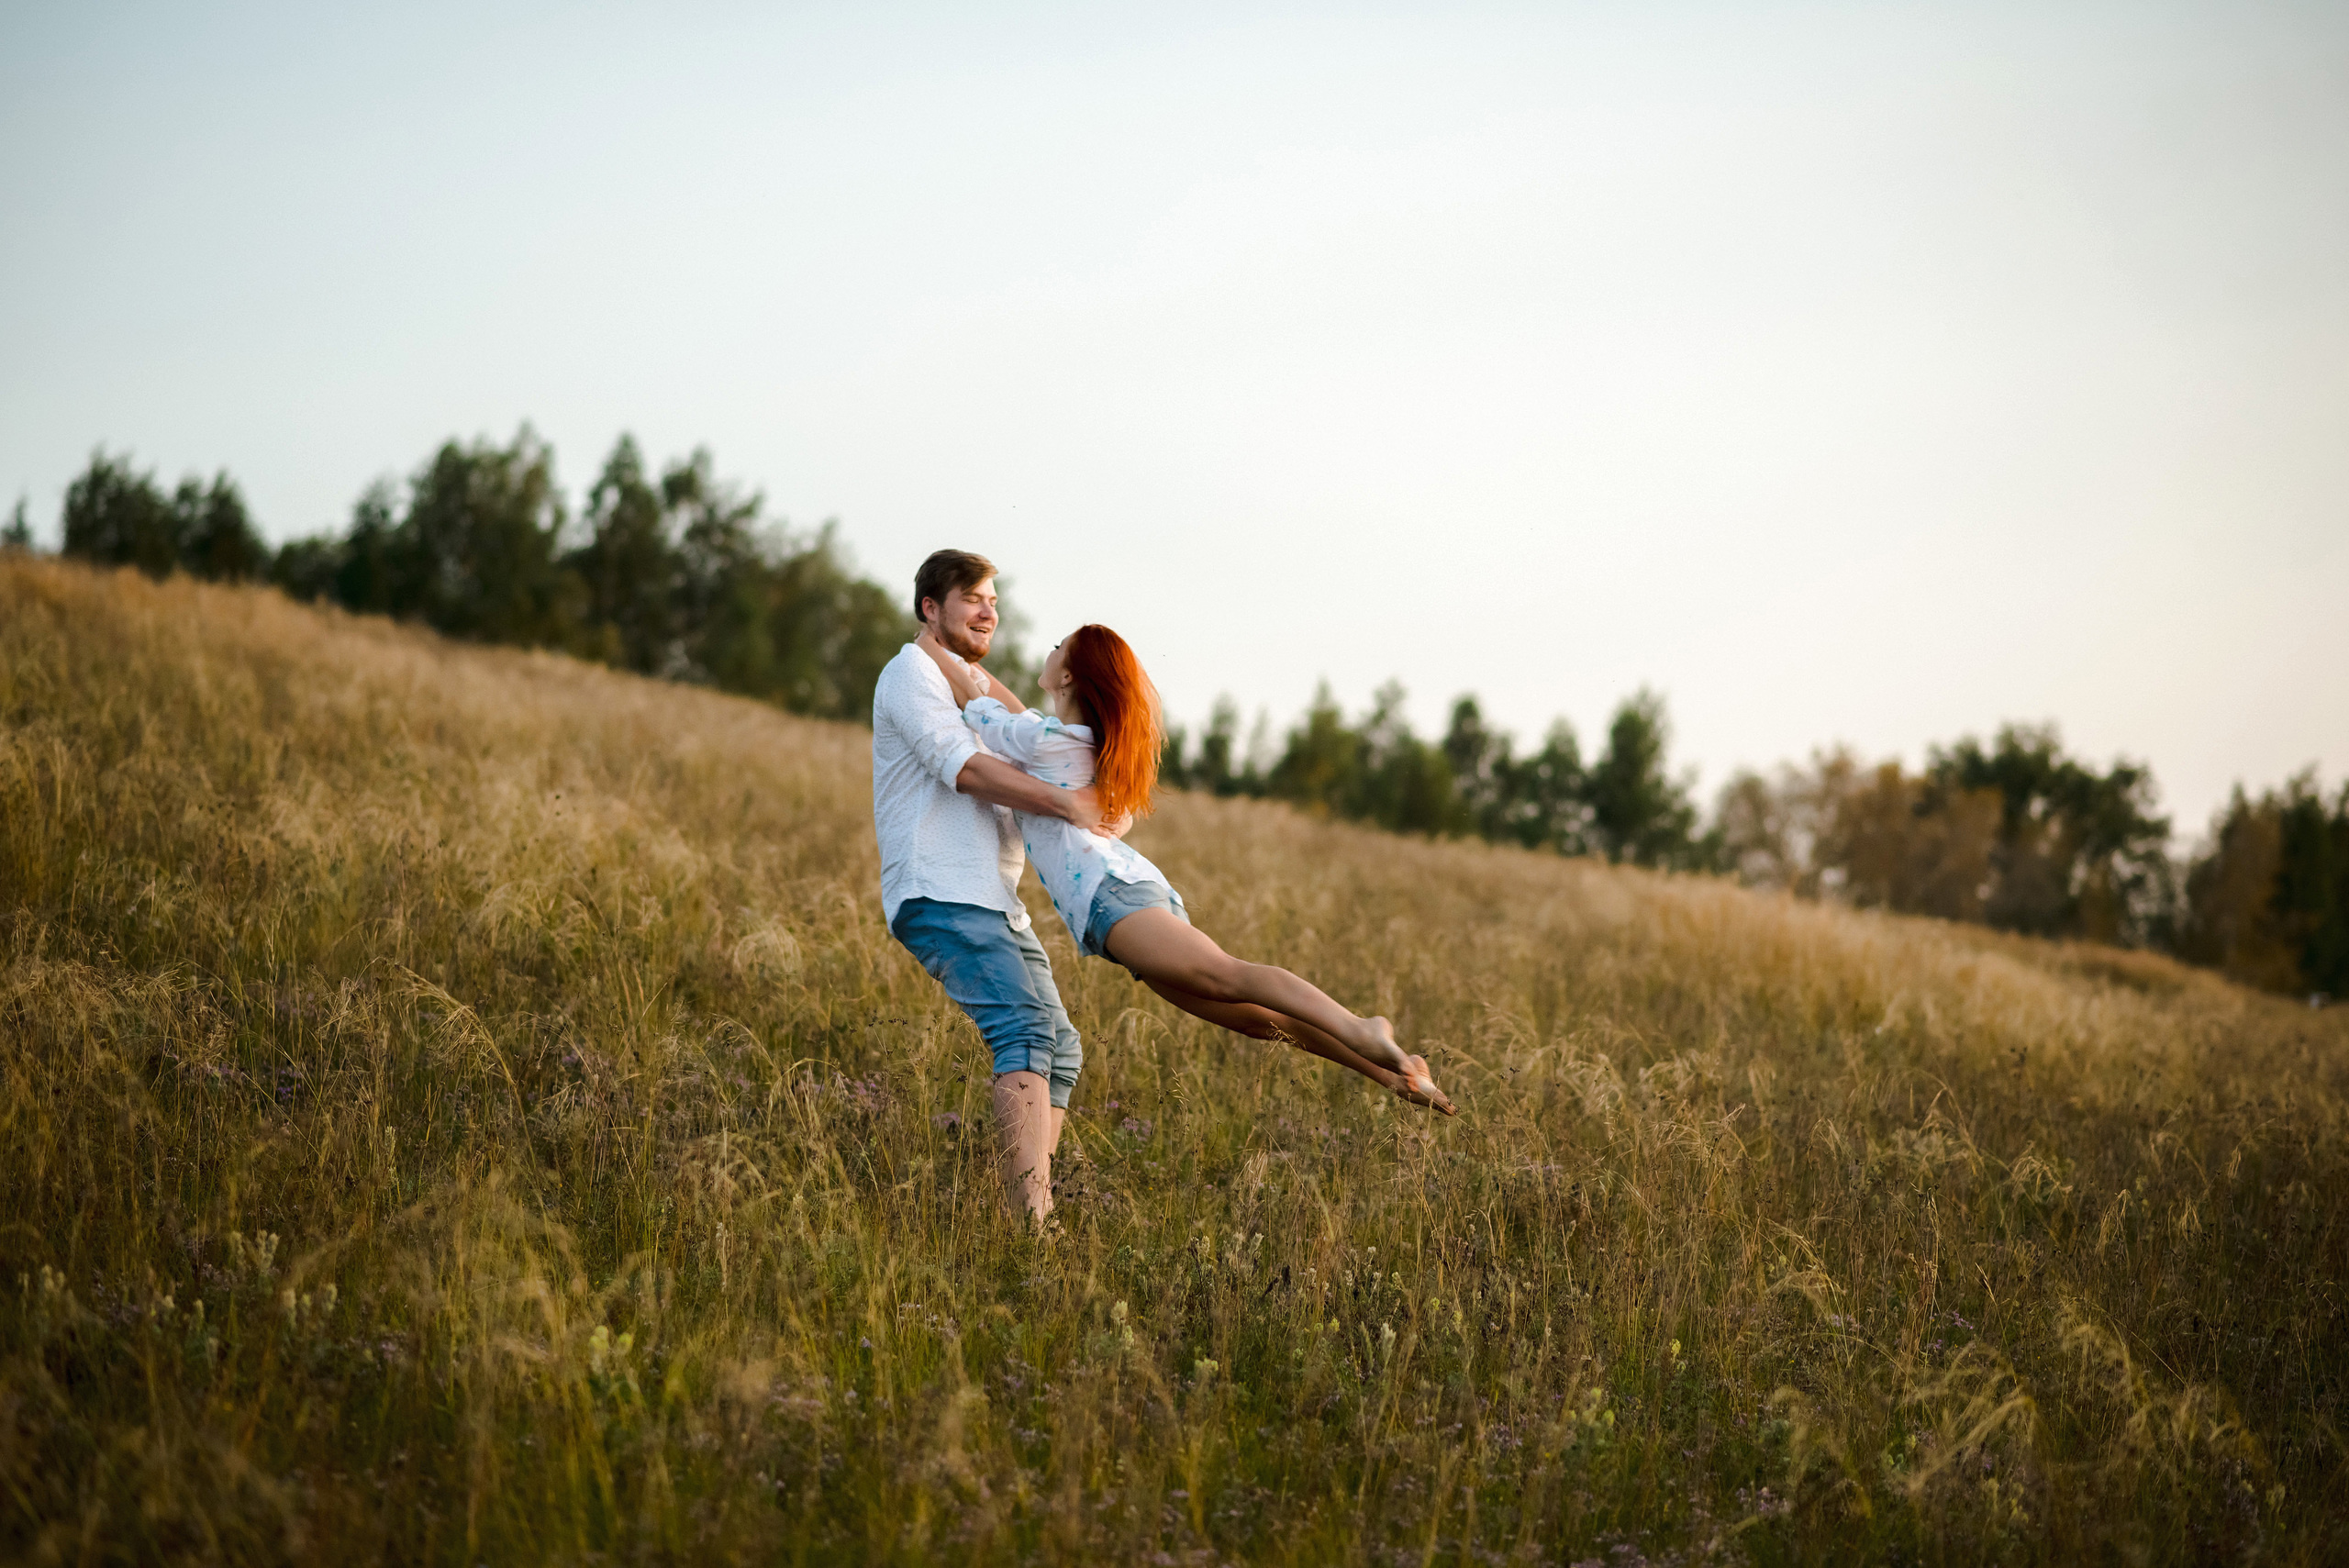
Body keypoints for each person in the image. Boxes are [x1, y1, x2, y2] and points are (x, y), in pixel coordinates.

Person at [914, 622, 1456, 1121]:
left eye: (1059, 644)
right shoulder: (1064, 742)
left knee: (1227, 975)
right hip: (1123, 900)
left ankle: (1361, 1028)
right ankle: (1388, 1071)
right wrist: (962, 658)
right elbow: (1007, 707)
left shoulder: (1045, 743)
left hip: (1114, 899)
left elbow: (978, 699)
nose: (1049, 648)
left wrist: (930, 645)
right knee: (1249, 1017)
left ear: (1070, 672)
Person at [873, 550, 1112, 1225]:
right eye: (972, 597)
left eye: (994, 601)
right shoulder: (910, 673)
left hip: (995, 901)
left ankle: (1022, 1205)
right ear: (930, 607)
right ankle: (1032, 1228)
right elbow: (968, 770)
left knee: (1060, 1047)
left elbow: (1029, 728)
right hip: (942, 889)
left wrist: (975, 669)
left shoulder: (963, 681)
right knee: (1026, 1029)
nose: (989, 611)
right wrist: (1068, 806)